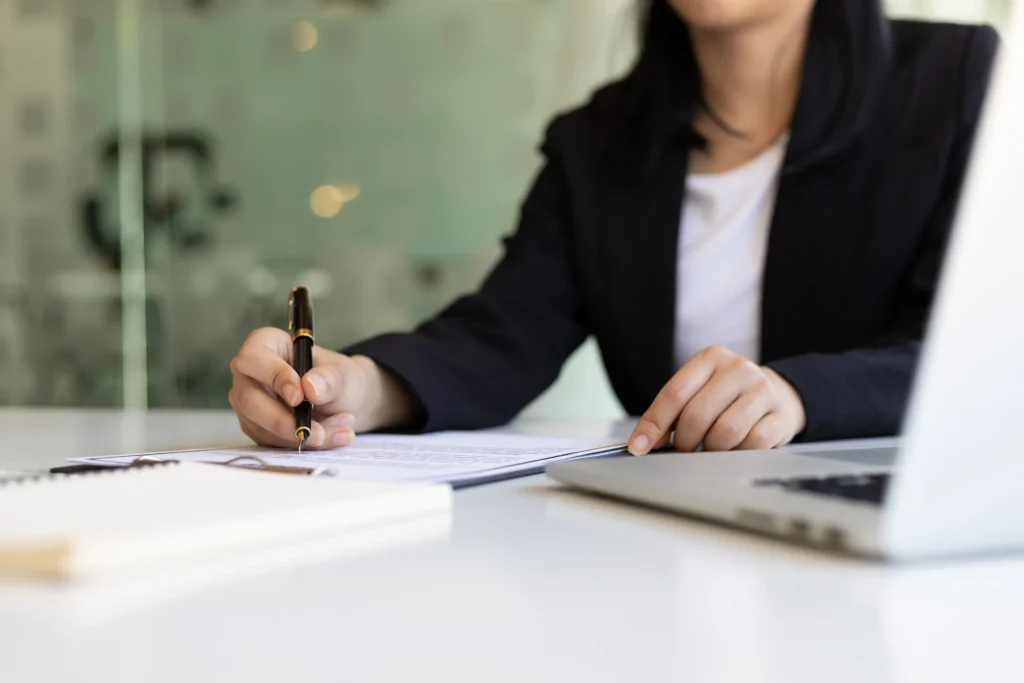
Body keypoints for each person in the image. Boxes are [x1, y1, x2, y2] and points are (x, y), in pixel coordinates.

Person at [228, 0, 998, 456]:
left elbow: (978, 348)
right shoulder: (597, 143)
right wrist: (358, 387)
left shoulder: (956, 81)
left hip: (891, 532)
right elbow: (502, 337)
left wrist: (799, 395)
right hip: (660, 549)